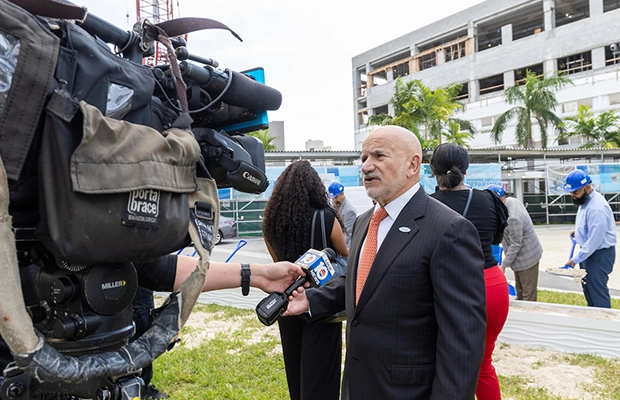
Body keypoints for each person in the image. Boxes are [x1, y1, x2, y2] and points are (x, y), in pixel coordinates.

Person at [285, 126, 486, 399]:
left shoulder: (449, 229)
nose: (367, 166)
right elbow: (364, 283)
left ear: (412, 164)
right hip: (358, 386)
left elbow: (463, 341)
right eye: (364, 157)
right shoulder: (365, 221)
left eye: (379, 156)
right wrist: (311, 300)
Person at [262, 160, 349, 400]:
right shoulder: (326, 217)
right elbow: (344, 253)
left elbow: (277, 262)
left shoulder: (270, 223)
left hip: (285, 301)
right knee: (323, 371)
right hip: (321, 301)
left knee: (295, 365)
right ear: (314, 187)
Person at [429, 142, 509, 400]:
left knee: (444, 365)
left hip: (448, 289)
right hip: (492, 286)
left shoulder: (426, 206)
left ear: (432, 170)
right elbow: (496, 240)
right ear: (466, 168)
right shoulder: (489, 200)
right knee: (484, 364)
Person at [563, 169, 616, 308]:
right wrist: (579, 232)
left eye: (575, 192)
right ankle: (593, 322)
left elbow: (594, 241)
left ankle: (604, 325)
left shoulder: (597, 207)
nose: (573, 196)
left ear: (587, 187)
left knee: (597, 292)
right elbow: (590, 226)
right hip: (590, 253)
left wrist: (575, 260)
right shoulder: (586, 200)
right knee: (589, 290)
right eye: (571, 192)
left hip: (598, 255)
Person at [487, 184, 543, 302]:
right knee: (520, 290)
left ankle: (529, 319)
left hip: (527, 258)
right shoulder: (511, 201)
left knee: (528, 294)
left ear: (501, 200)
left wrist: (504, 265)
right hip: (520, 257)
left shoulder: (512, 218)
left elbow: (516, 244)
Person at [328, 181, 358, 248]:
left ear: (342, 194)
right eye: (333, 198)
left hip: (345, 247)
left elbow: (347, 234)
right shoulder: (336, 205)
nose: (334, 200)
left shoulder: (349, 211)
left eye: (336, 197)